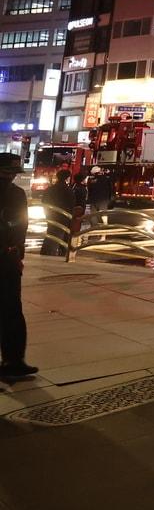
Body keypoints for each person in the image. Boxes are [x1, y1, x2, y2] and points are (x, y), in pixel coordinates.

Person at [0, 152, 37, 379]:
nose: (10, 177)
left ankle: (14, 360)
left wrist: (17, 254)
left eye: (13, 173)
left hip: (8, 259)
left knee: (12, 310)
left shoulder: (16, 193)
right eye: (6, 172)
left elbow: (21, 225)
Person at [39, 169, 78, 257]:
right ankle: (59, 253)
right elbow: (71, 204)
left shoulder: (50, 189)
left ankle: (47, 252)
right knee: (60, 236)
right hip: (64, 216)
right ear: (67, 178)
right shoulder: (68, 190)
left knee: (51, 234)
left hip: (51, 215)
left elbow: (44, 201)